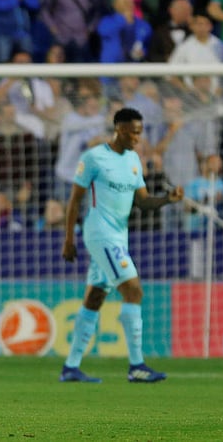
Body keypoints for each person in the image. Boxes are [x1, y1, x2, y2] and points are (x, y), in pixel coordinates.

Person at [60, 107, 183, 384]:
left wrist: (168, 199)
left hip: (119, 235)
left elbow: (143, 201)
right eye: (133, 133)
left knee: (95, 297)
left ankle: (71, 367)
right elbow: (75, 200)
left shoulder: (134, 160)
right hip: (99, 233)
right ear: (119, 129)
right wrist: (69, 239)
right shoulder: (94, 158)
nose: (137, 138)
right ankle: (137, 366)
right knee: (133, 290)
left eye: (140, 133)